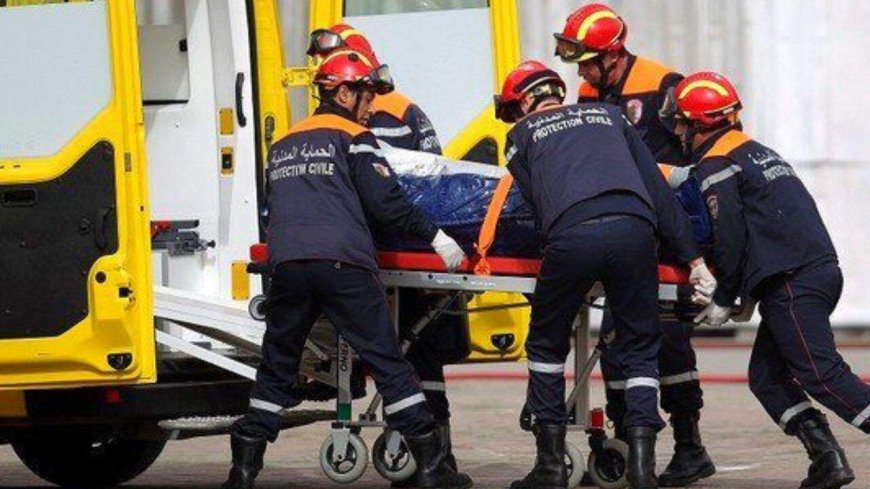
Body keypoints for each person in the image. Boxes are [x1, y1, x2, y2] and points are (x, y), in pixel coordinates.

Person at [221, 50, 472, 489]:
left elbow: (271, 210)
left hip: (288, 266)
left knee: (277, 367)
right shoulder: (353, 136)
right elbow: (384, 202)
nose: (371, 106)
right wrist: (437, 237)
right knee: (387, 362)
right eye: (365, 95)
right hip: (342, 264)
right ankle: (432, 467)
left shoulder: (283, 144)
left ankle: (243, 471)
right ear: (340, 91)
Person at [494, 60, 716, 489]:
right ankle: (640, 467)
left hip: (571, 234)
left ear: (523, 101)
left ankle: (550, 466)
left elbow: (534, 206)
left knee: (545, 344)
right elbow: (657, 190)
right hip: (635, 232)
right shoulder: (613, 117)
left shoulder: (519, 136)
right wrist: (695, 261)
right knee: (639, 348)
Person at [663, 71, 870, 489]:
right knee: (767, 378)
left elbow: (731, 235)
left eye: (682, 121)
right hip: (811, 273)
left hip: (792, 281)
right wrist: (747, 292)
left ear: (700, 123)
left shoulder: (716, 163)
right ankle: (827, 459)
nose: (679, 130)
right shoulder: (755, 152)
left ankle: (829, 456)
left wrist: (724, 294)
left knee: (822, 374)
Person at [554, 5, 715, 486]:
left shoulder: (663, 84)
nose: (580, 71)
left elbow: (694, 150)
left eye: (587, 60)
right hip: (622, 230)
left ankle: (690, 447)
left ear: (613, 54)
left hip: (665, 233)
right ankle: (626, 446)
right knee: (617, 342)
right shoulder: (589, 91)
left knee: (666, 340)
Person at [307, 24, 467, 484]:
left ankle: (433, 455)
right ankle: (436, 457)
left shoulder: (373, 114)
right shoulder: (402, 111)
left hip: (375, 250)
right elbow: (434, 178)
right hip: (388, 250)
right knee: (415, 353)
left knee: (400, 354)